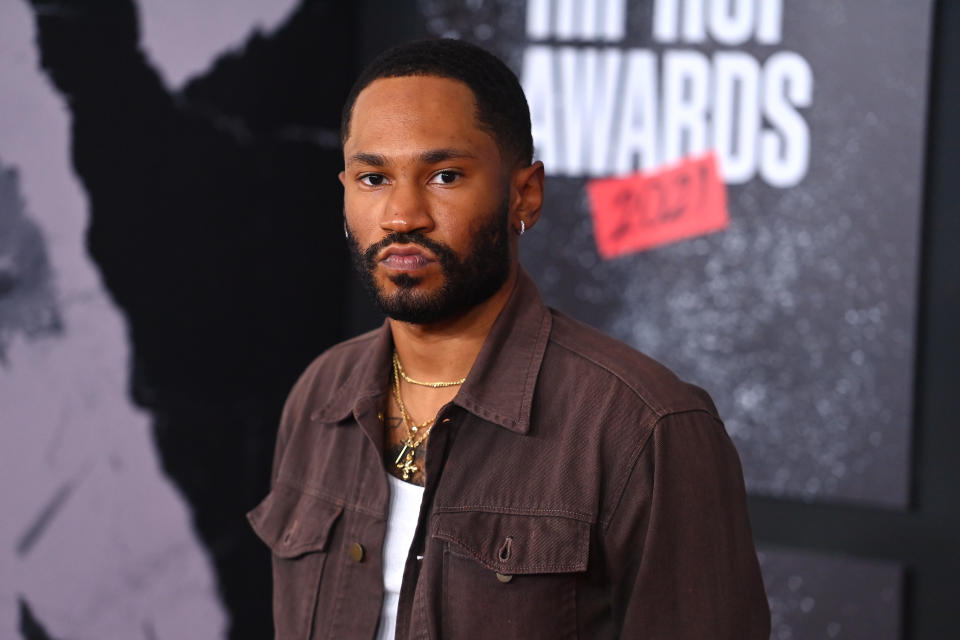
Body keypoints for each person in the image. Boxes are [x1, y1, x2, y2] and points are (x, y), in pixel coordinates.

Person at [248, 38, 771, 639]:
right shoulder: (320, 396)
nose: (402, 215)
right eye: (374, 178)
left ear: (525, 193)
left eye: (444, 175)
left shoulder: (644, 425)